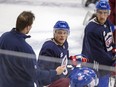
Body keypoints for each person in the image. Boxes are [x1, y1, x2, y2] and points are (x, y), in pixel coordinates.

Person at [0, 11, 65, 87]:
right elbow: (35, 74)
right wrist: (55, 72)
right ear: (28, 27)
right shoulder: (26, 49)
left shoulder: (4, 37)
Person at [81, 1, 115, 87]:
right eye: (100, 12)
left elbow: (110, 42)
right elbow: (98, 54)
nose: (103, 16)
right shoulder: (92, 29)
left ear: (108, 13)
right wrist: (113, 62)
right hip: (94, 67)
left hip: (104, 66)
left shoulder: (107, 23)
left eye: (105, 13)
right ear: (96, 12)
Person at [37, 20, 70, 87]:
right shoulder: (49, 48)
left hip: (60, 78)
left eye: (65, 33)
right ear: (54, 33)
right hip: (48, 83)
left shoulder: (65, 44)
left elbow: (64, 60)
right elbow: (44, 72)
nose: (62, 35)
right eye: (59, 33)